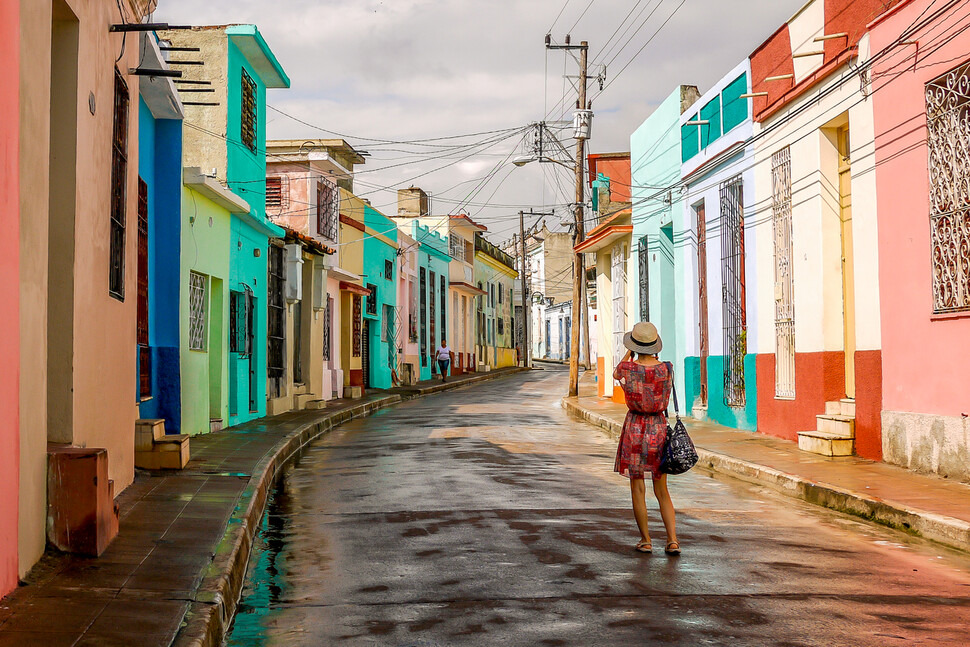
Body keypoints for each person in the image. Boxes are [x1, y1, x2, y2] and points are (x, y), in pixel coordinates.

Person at [612, 321, 680, 556]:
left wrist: (629, 352)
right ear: (655, 345)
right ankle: (672, 540)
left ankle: (646, 540)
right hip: (658, 428)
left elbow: (616, 372)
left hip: (635, 429)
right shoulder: (667, 368)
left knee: (638, 488)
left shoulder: (628, 370)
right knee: (662, 490)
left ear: (635, 346)